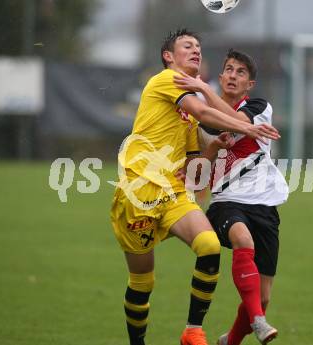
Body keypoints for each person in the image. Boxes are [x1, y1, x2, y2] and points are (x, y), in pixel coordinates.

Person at [110, 29, 280, 345]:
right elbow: (204, 111)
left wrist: (212, 149)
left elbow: (193, 176)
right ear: (168, 57)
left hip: (173, 193)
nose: (196, 50)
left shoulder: (187, 116)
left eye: (199, 46)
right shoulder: (164, 80)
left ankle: (192, 331)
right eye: (187, 46)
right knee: (142, 282)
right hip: (140, 192)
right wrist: (248, 128)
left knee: (209, 246)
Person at [174, 49, 288, 345]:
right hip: (226, 202)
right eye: (229, 69)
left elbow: (233, 119)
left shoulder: (259, 107)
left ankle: (231, 340)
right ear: (221, 76)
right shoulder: (201, 122)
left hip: (264, 205)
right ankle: (259, 323)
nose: (233, 75)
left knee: (262, 298)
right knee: (242, 239)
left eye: (241, 72)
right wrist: (212, 150)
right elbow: (197, 177)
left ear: (250, 84)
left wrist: (202, 88)